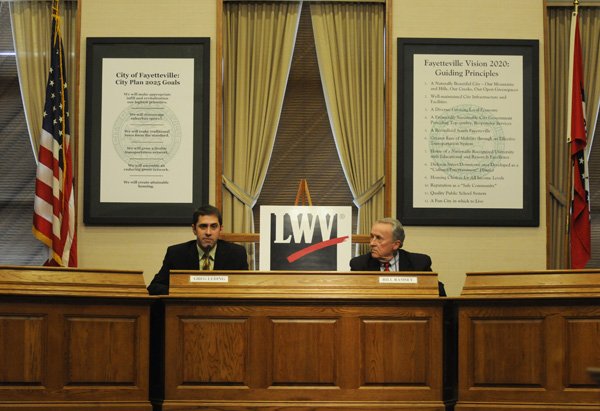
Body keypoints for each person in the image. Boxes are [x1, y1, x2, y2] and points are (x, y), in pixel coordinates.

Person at [147, 204, 248, 295]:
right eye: (203, 226)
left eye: (213, 227)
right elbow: (154, 287)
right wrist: (181, 292)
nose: (208, 232)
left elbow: (247, 289)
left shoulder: (237, 254)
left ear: (220, 229)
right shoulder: (176, 253)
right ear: (194, 229)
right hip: (187, 310)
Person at [349, 217, 446, 296]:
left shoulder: (419, 264)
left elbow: (437, 294)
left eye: (378, 238)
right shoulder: (360, 265)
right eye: (372, 237)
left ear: (396, 244)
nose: (372, 243)